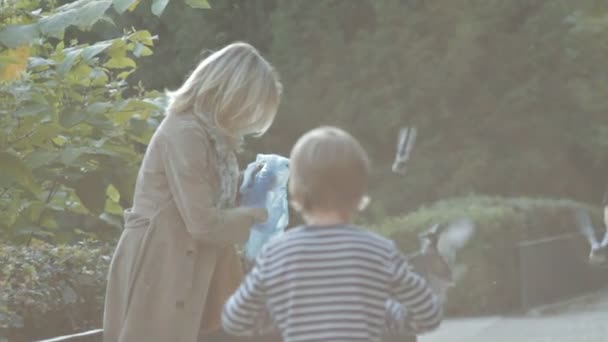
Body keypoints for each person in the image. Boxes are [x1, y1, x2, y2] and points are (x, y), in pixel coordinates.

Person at [102, 42, 282, 342]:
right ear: (230, 94)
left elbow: (211, 199)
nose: (249, 117)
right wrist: (255, 216)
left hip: (194, 265)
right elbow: (202, 221)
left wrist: (250, 187)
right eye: (250, 106)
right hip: (161, 266)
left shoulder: (216, 138)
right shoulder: (185, 132)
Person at [221, 126, 443, 342]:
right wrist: (383, 312)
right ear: (359, 194)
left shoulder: (278, 253)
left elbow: (234, 319)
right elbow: (428, 314)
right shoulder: (379, 251)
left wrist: (282, 314)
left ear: (296, 192)